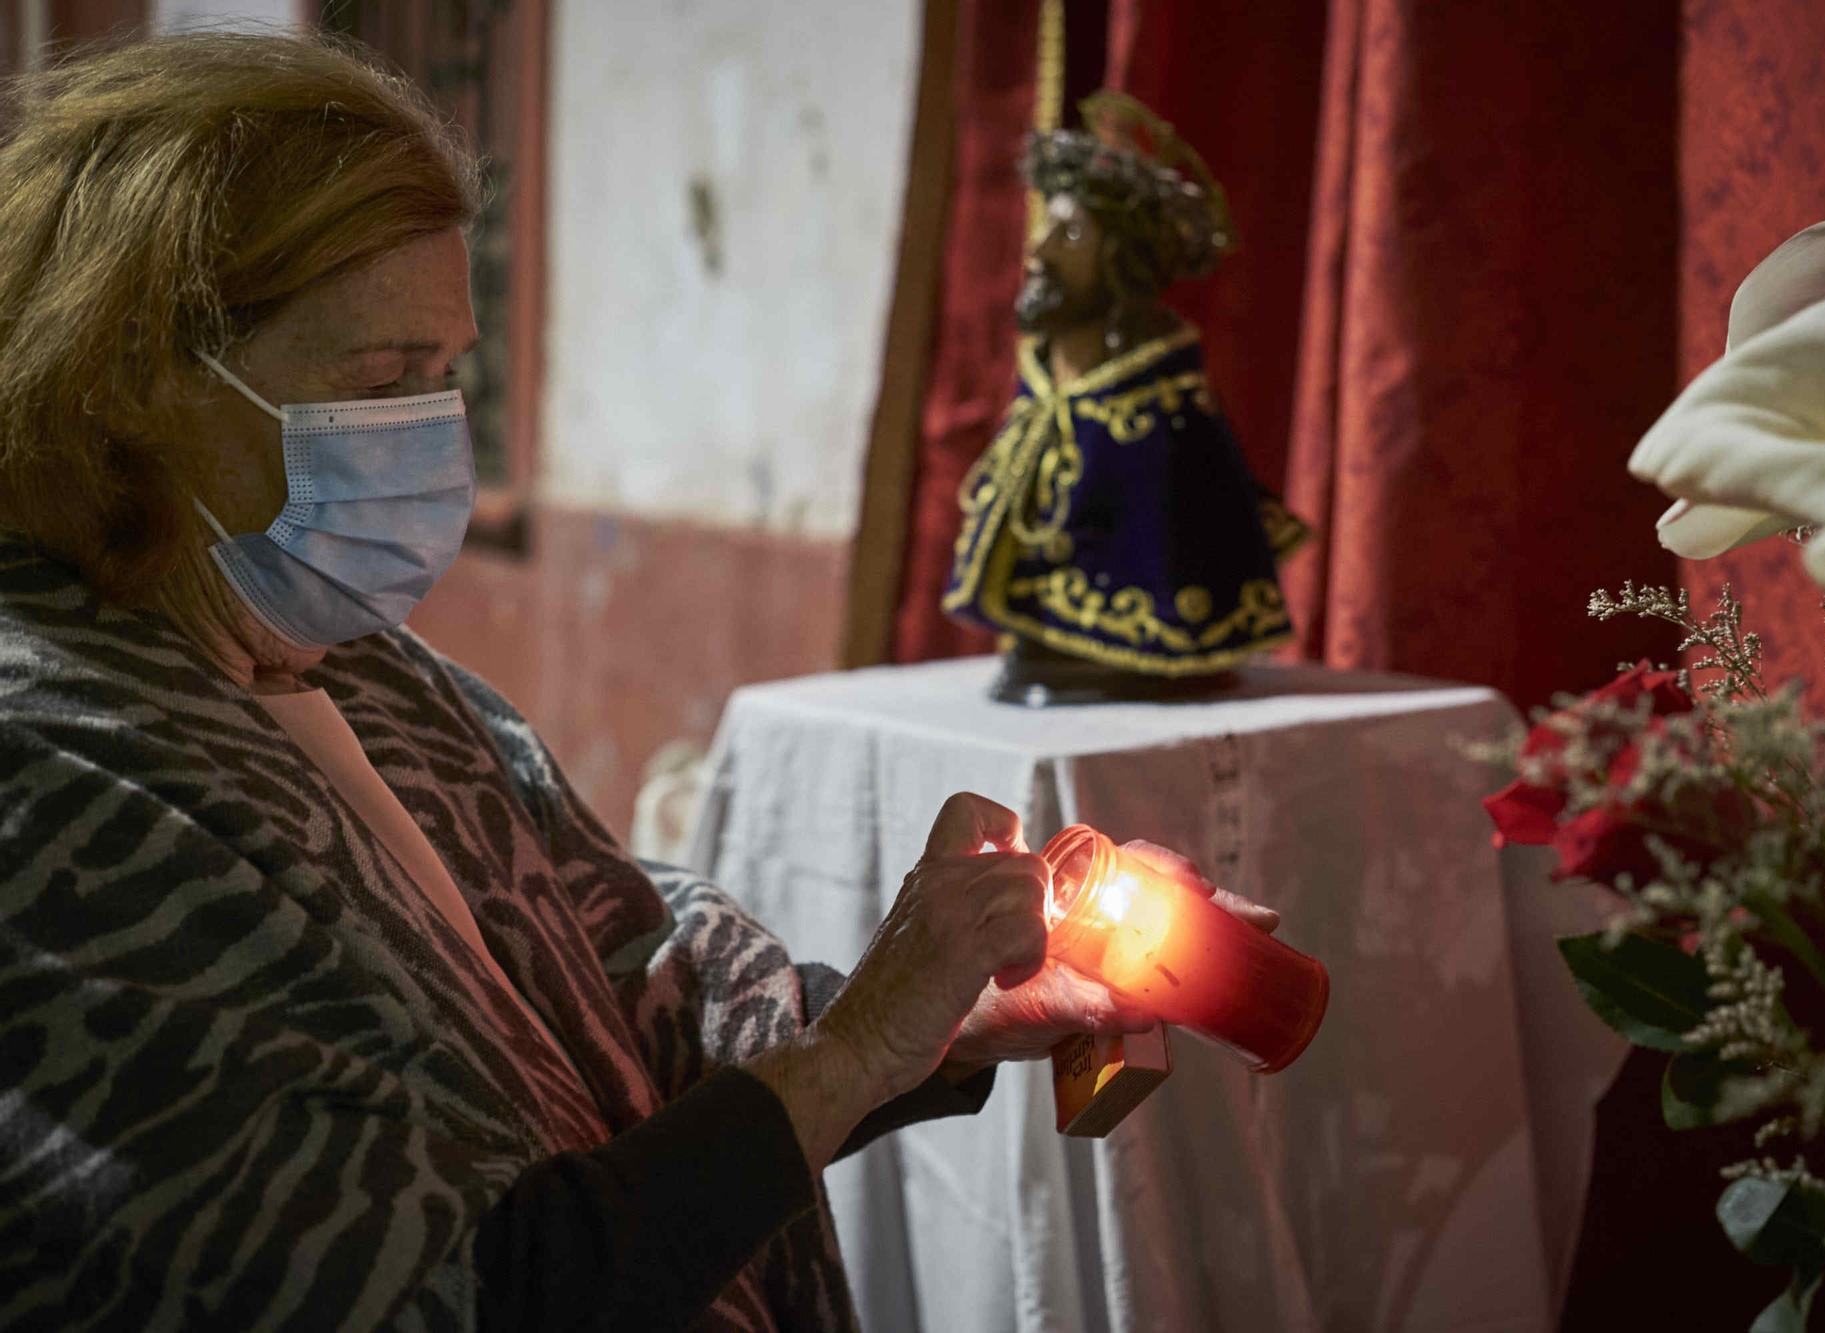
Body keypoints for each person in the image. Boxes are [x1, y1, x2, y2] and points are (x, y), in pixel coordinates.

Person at [0, 32, 1276, 1331]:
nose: (431, 432)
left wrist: (952, 1008)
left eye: (448, 375)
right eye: (381, 382)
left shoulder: (366, 670)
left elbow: (627, 1003)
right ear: (134, 379)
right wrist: (850, 1056)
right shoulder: (46, 787)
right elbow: (442, 1296)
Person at [942, 91, 1309, 705]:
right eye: (1045, 227)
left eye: (1070, 234)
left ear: (1117, 261)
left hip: (1134, 658)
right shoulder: (1046, 384)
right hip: (1045, 658)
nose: (1039, 251)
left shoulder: (1160, 421)